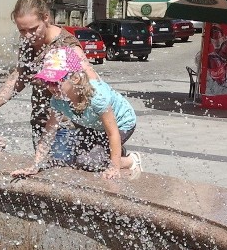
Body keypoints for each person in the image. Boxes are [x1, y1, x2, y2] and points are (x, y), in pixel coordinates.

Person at [11, 46, 142, 180]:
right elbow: (49, 133)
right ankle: (113, 152)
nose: (51, 87)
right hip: (94, 125)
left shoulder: (97, 97)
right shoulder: (58, 101)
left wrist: (114, 167)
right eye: (47, 81)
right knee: (72, 158)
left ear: (75, 78)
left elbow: (112, 132)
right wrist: (35, 165)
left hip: (121, 123)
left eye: (56, 81)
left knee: (91, 162)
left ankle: (131, 160)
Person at [0, 0, 96, 149]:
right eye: (22, 30)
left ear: (46, 18)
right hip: (40, 123)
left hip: (66, 127)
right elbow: (20, 75)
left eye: (33, 29)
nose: (28, 36)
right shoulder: (28, 42)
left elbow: (92, 81)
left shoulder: (67, 45)